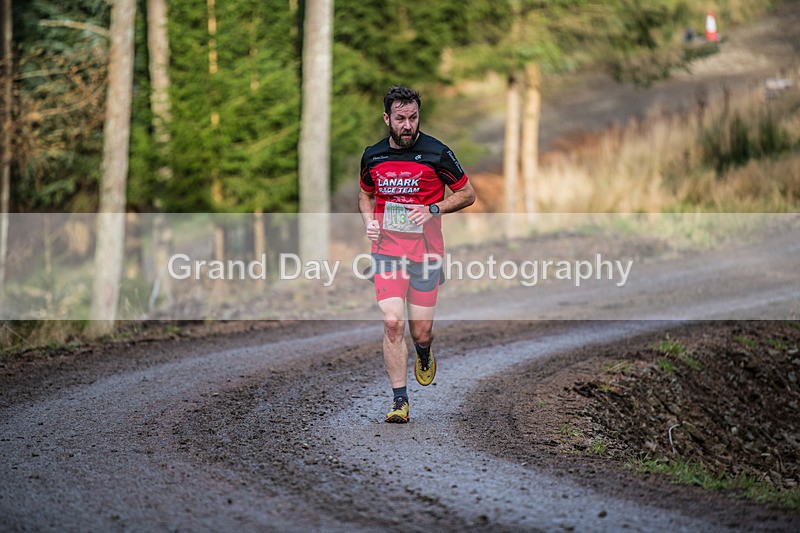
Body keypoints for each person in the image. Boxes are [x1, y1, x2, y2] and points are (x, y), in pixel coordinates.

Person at [358, 86, 476, 423]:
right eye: (400, 119)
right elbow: (365, 195)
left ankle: (423, 352)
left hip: (426, 253)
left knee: (420, 331)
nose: (407, 125)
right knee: (392, 323)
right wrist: (369, 222)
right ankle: (399, 400)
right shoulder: (373, 156)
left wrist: (434, 208)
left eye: (413, 117)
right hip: (387, 252)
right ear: (387, 119)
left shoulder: (437, 152)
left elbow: (467, 193)